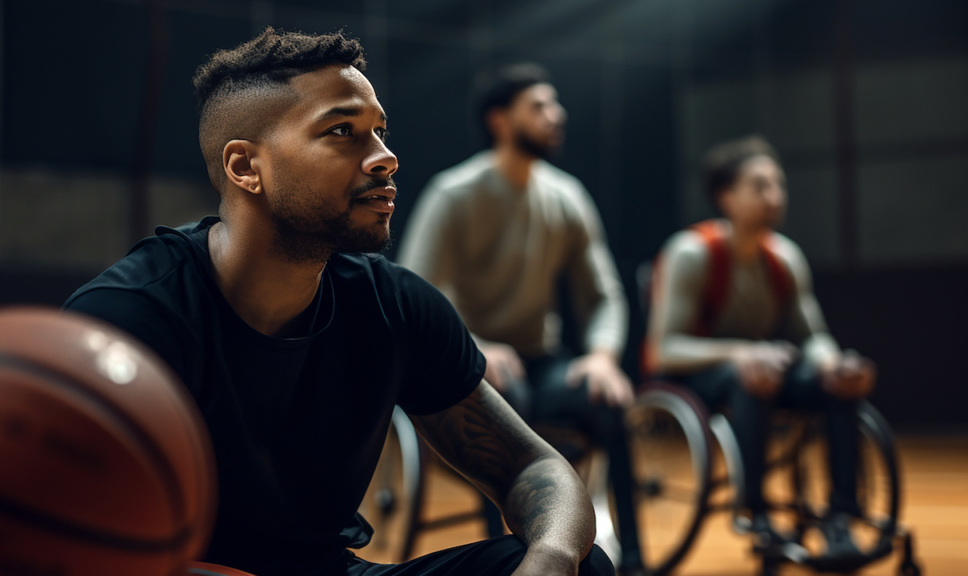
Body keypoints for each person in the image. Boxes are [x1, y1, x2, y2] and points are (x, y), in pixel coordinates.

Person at [64, 29, 613, 576]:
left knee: (579, 567)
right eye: (343, 132)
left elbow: (530, 466)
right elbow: (61, 541)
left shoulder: (392, 303)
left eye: (380, 131)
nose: (386, 158)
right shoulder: (129, 320)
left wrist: (552, 559)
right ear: (244, 167)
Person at [397, 63, 643, 575]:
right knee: (510, 398)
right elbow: (415, 288)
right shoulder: (454, 192)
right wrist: (474, 344)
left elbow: (603, 295)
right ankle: (514, 559)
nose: (558, 115)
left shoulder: (566, 196)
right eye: (540, 107)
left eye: (555, 105)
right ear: (499, 121)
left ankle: (636, 560)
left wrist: (601, 356)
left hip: (540, 359)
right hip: (472, 364)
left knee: (609, 403)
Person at [643, 135, 875, 559]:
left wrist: (833, 363)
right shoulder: (691, 253)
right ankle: (759, 511)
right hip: (697, 374)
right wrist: (742, 353)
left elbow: (813, 337)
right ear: (725, 196)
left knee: (835, 384)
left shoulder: (785, 258)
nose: (774, 196)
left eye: (779, 185)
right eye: (760, 186)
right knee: (752, 375)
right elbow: (664, 350)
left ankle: (841, 515)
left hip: (762, 367)